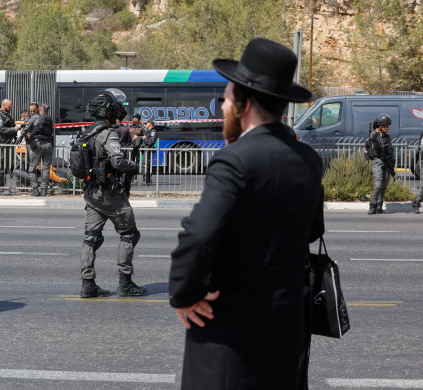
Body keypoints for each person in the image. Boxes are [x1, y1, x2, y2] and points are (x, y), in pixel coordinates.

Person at [168, 38, 325, 389]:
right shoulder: (309, 160)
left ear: (245, 103)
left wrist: (184, 294)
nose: (223, 105)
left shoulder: (235, 159)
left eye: (225, 98)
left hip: (231, 334)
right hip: (287, 327)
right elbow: (312, 230)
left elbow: (199, 234)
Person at [79, 88, 147, 299]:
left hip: (91, 192)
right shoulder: (108, 133)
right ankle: (125, 283)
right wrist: (134, 166)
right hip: (110, 194)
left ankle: (88, 285)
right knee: (129, 234)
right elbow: (117, 161)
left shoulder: (87, 131)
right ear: (109, 110)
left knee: (91, 239)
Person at [23, 102, 54, 196]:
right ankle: (44, 190)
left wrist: (25, 136)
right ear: (47, 111)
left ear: (40, 110)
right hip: (48, 145)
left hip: (38, 145)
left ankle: (35, 190)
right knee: (46, 169)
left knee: (32, 168)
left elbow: (26, 128)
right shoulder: (50, 119)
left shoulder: (35, 117)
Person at [367, 113, 394, 215]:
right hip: (378, 162)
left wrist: (392, 162)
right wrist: (376, 131)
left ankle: (379, 206)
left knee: (383, 186)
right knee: (378, 185)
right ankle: (372, 205)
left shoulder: (387, 137)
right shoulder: (375, 136)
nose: (386, 128)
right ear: (379, 126)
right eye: (384, 127)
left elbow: (391, 150)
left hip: (387, 163)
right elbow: (372, 137)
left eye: (387, 127)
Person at [140, 119, 158, 184]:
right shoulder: (148, 131)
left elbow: (151, 142)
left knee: (145, 165)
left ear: (150, 124)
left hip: (149, 150)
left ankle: (146, 181)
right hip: (146, 149)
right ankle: (147, 180)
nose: (145, 125)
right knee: (145, 165)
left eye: (146, 123)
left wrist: (144, 138)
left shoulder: (153, 132)